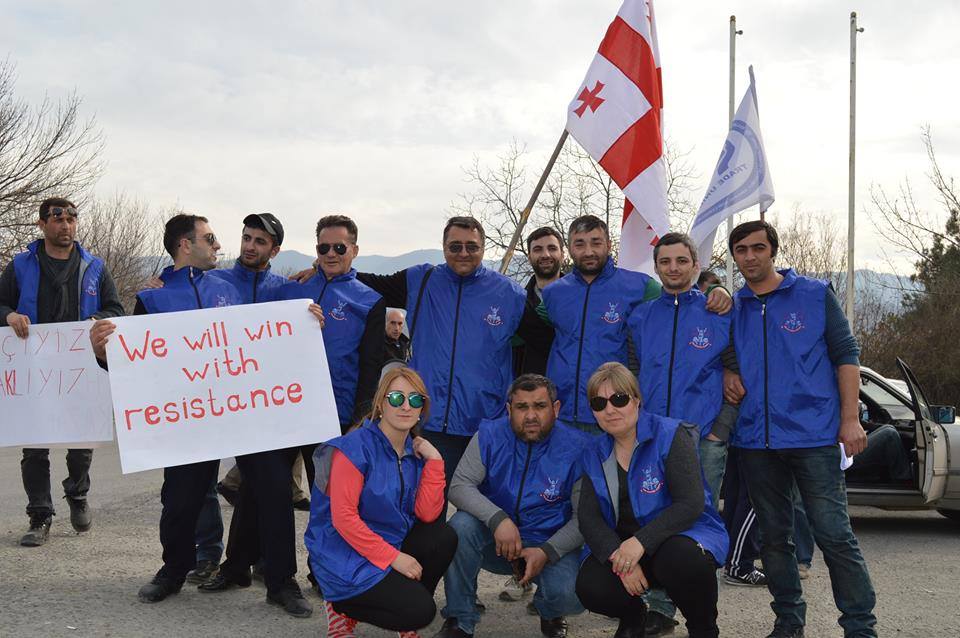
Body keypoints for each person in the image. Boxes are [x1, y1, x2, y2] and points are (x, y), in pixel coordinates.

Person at [89, 214, 323, 608]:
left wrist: (307, 313)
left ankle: (283, 583)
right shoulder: (153, 297)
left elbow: (278, 313)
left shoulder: (234, 283)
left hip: (249, 413)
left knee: (274, 492)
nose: (219, 246)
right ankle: (173, 571)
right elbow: (135, 362)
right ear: (185, 244)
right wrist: (102, 354)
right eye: (210, 238)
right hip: (191, 418)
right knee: (180, 499)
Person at [725, 220, 877, 638]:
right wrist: (726, 370)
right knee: (774, 540)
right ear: (734, 257)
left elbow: (847, 355)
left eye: (758, 247)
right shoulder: (731, 306)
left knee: (834, 535)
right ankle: (788, 623)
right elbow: (719, 353)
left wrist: (850, 419)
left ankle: (860, 627)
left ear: (773, 250)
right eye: (741, 249)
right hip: (756, 440)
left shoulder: (813, 294)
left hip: (813, 437)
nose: (751, 256)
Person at [330, 216, 527, 510]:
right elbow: (369, 284)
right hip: (429, 421)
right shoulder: (422, 280)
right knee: (425, 509)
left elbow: (540, 345)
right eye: (455, 246)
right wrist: (327, 273)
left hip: (484, 425)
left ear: (484, 248)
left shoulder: (511, 295)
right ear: (444, 247)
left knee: (477, 513)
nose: (463, 253)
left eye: (471, 246)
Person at [189, 214, 313, 617]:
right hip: (221, 407)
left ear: (274, 250)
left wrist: (314, 322)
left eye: (260, 241)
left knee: (269, 489)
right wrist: (160, 282)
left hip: (272, 410)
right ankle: (247, 569)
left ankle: (272, 578)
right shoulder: (215, 283)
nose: (250, 246)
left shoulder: (289, 292)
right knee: (260, 488)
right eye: (246, 237)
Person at [0, 197, 124, 547]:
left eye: (71, 218)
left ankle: (77, 493)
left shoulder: (95, 267)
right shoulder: (20, 265)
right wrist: (9, 315)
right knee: (34, 447)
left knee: (81, 441)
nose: (66, 224)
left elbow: (115, 308)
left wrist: (95, 321)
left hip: (80, 366)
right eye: (57, 218)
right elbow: (1, 303)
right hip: (33, 367)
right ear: (41, 224)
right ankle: (39, 515)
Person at [626, 233, 731, 634]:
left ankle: (703, 616)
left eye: (681, 261)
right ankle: (659, 608)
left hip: (701, 437)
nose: (673, 268)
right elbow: (632, 375)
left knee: (700, 524)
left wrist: (720, 430)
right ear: (656, 267)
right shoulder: (640, 317)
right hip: (652, 437)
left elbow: (736, 374)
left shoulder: (717, 312)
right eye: (665, 261)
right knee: (654, 515)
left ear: (695, 266)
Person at [575, 363, 727, 638]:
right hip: (626, 547)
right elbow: (589, 517)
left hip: (677, 538)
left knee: (683, 560)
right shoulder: (593, 451)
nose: (610, 409)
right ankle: (634, 618)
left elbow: (690, 503)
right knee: (590, 585)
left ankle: (703, 628)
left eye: (619, 399)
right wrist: (618, 559)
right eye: (599, 403)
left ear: (636, 400)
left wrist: (640, 543)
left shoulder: (670, 435)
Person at [543, 216, 732, 435]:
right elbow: (533, 334)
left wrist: (717, 291)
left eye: (596, 242)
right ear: (569, 248)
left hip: (614, 411)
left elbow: (677, 297)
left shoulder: (639, 286)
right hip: (562, 413)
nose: (588, 251)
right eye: (580, 244)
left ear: (609, 244)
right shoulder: (552, 293)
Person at [306, 366, 457, 638]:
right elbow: (343, 519)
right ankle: (342, 608)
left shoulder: (415, 450)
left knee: (443, 537)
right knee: (421, 611)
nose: (405, 406)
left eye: (415, 400)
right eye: (397, 398)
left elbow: (427, 514)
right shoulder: (354, 448)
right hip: (344, 553)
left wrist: (435, 463)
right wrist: (394, 557)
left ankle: (399, 606)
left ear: (422, 408)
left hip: (386, 541)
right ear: (380, 403)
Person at [435, 374, 585, 638]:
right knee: (459, 528)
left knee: (572, 595)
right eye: (521, 407)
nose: (530, 416)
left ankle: (549, 612)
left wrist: (547, 551)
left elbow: (583, 519)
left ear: (556, 408)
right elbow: (459, 486)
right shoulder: (488, 435)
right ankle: (460, 617)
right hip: (498, 541)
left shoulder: (579, 447)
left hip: (547, 543)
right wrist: (498, 520)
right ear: (508, 409)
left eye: (540, 406)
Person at [513, 227, 563, 377]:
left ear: (562, 254)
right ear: (529, 257)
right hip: (530, 391)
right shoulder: (517, 304)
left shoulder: (580, 299)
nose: (545, 255)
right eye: (538, 249)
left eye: (552, 248)